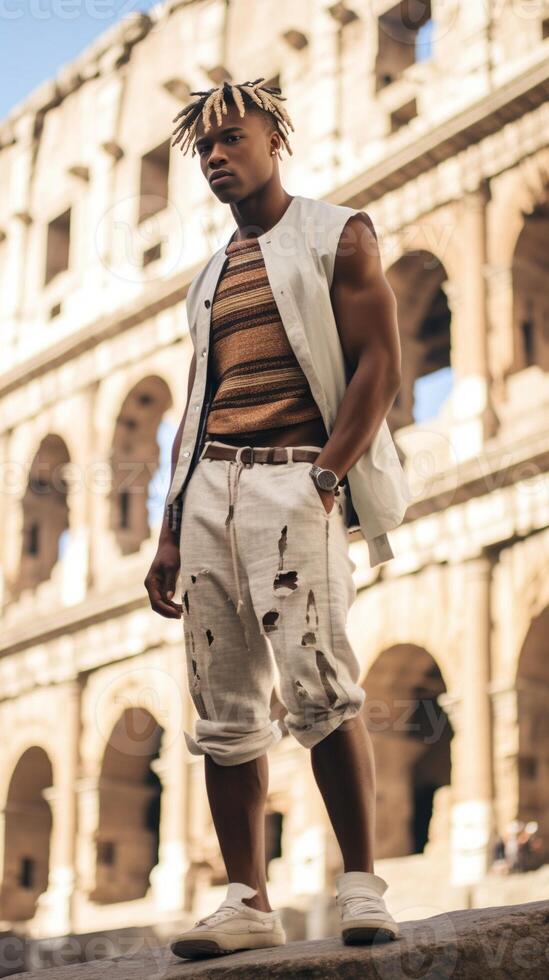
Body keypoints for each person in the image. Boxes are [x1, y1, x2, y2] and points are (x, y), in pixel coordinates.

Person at [144, 77, 409, 960]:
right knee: (221, 706)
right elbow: (196, 402)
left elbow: (378, 363)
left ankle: (362, 885)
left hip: (295, 479)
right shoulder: (209, 277)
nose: (218, 157)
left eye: (232, 139)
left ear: (273, 142)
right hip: (211, 488)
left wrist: (327, 477)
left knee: (319, 686)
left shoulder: (340, 234)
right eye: (204, 149)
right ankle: (246, 900)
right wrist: (169, 526)